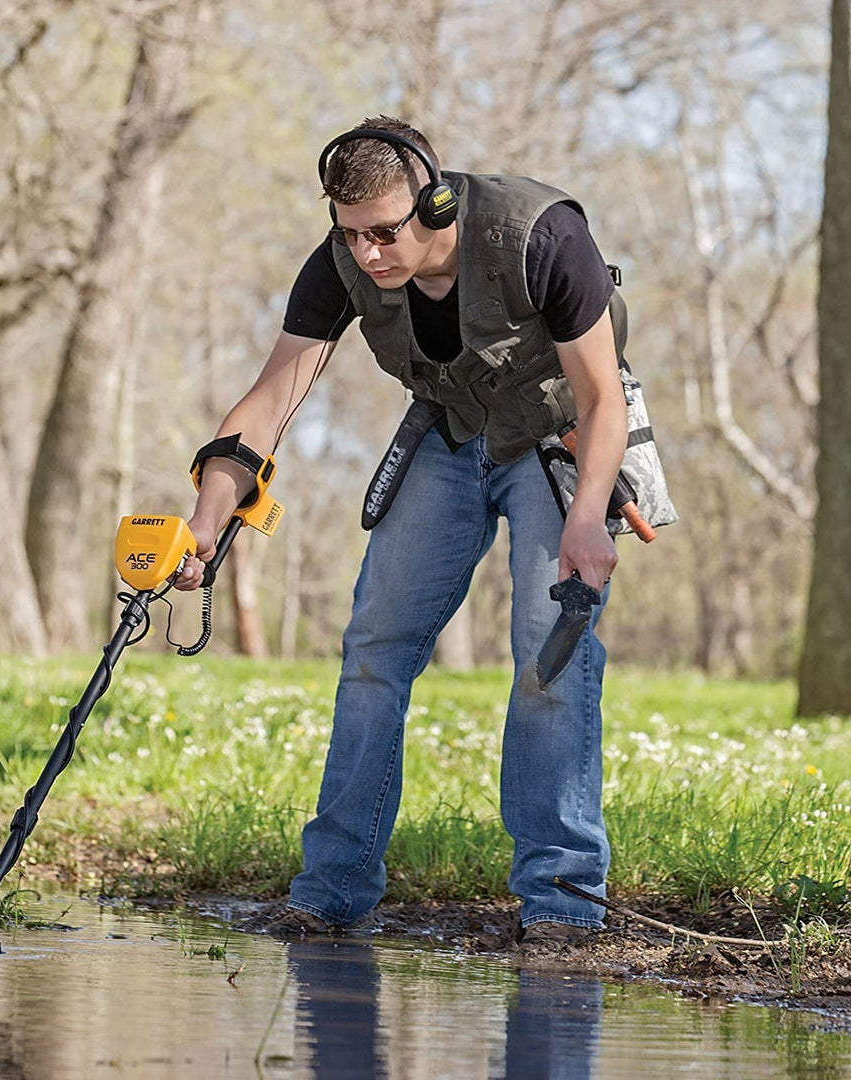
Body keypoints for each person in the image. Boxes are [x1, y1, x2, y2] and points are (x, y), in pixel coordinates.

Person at [176, 116, 626, 945]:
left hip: (560, 443)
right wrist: (207, 514)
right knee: (374, 646)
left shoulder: (543, 235)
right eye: (353, 234)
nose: (372, 253)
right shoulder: (342, 263)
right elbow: (270, 400)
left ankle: (562, 903)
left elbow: (603, 399)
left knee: (547, 647)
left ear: (437, 200)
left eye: (388, 231)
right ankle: (331, 891)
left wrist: (588, 519)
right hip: (448, 437)